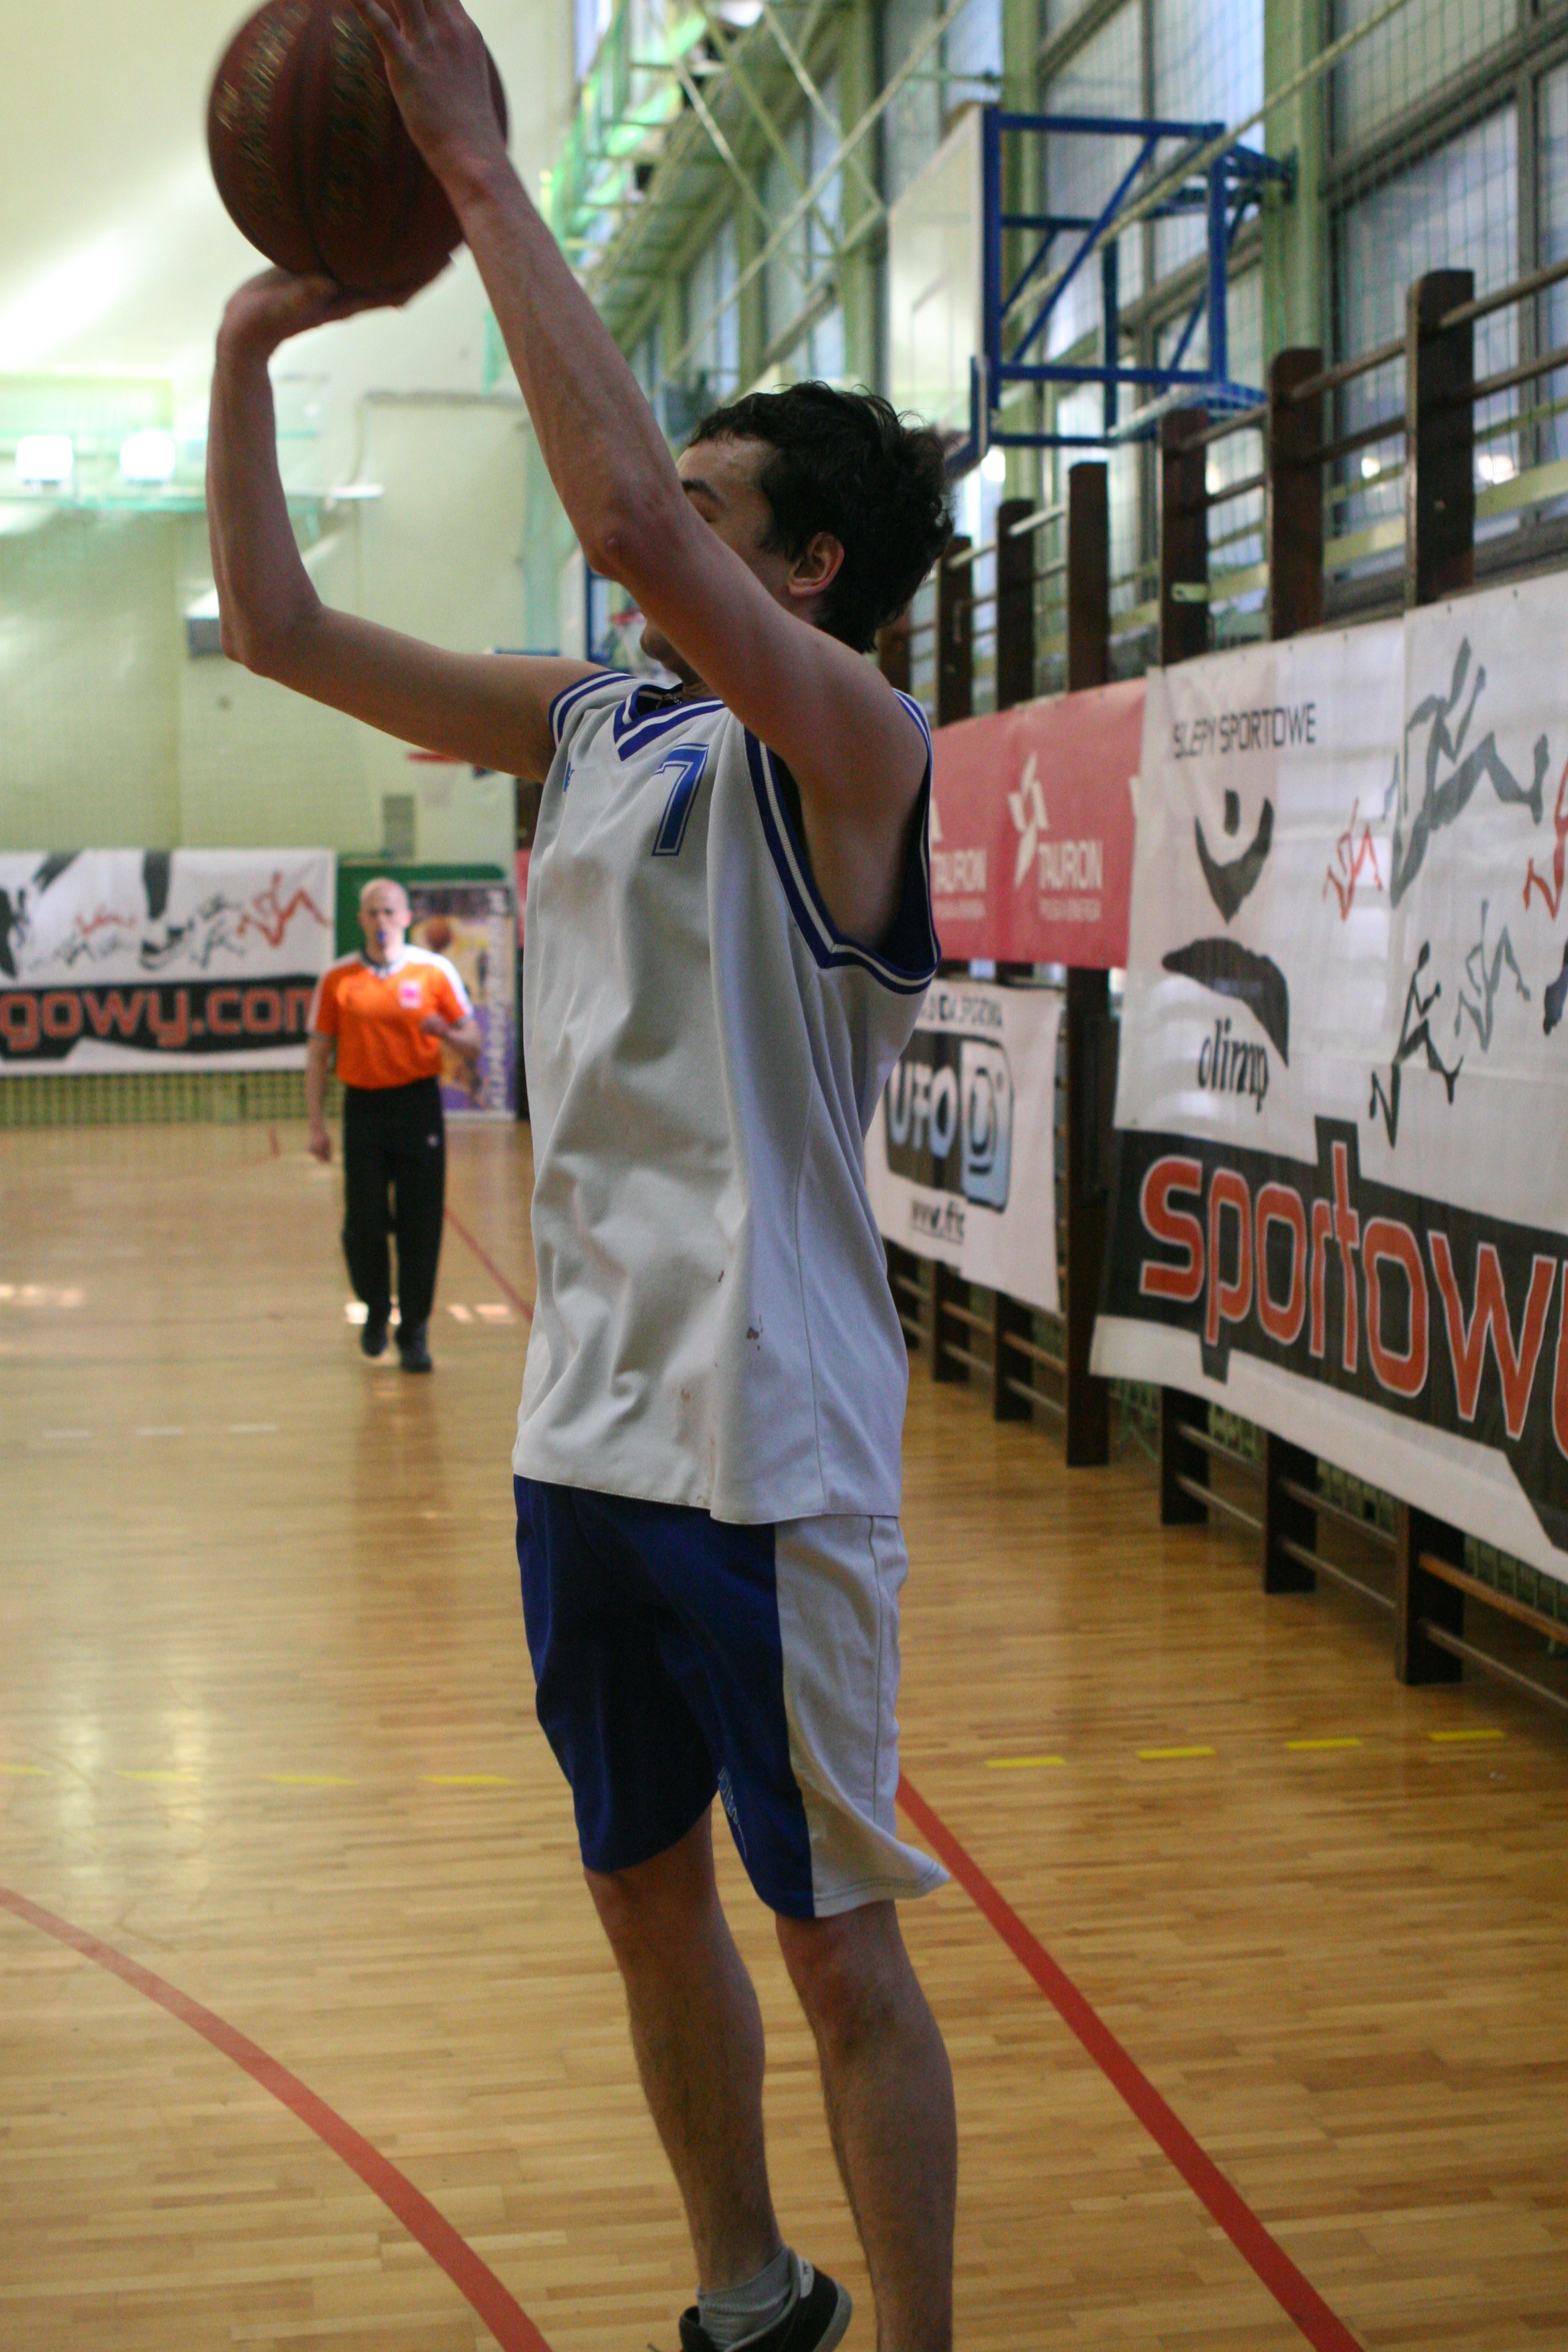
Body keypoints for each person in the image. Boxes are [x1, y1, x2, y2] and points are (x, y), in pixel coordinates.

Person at [206, 0, 957, 2339]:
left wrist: (471, 168)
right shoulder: (595, 716)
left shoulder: (855, 744)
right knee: (639, 1891)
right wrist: (244, 347)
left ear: (807, 566)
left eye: (713, 505)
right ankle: (746, 2286)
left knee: (837, 1951)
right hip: (584, 1426)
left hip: (770, 1439)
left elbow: (622, 509)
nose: (648, 519)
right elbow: (279, 629)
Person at [307, 875, 480, 1371]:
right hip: (363, 1109)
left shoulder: (434, 972)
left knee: (420, 1224)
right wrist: (316, 1125)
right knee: (363, 1223)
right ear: (361, 919)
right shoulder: (338, 979)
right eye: (373, 912)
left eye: (390, 911)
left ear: (406, 917)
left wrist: (446, 1032)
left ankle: (415, 1333)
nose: (381, 920)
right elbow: (318, 1054)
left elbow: (473, 1040)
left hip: (417, 1106)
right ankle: (376, 1309)